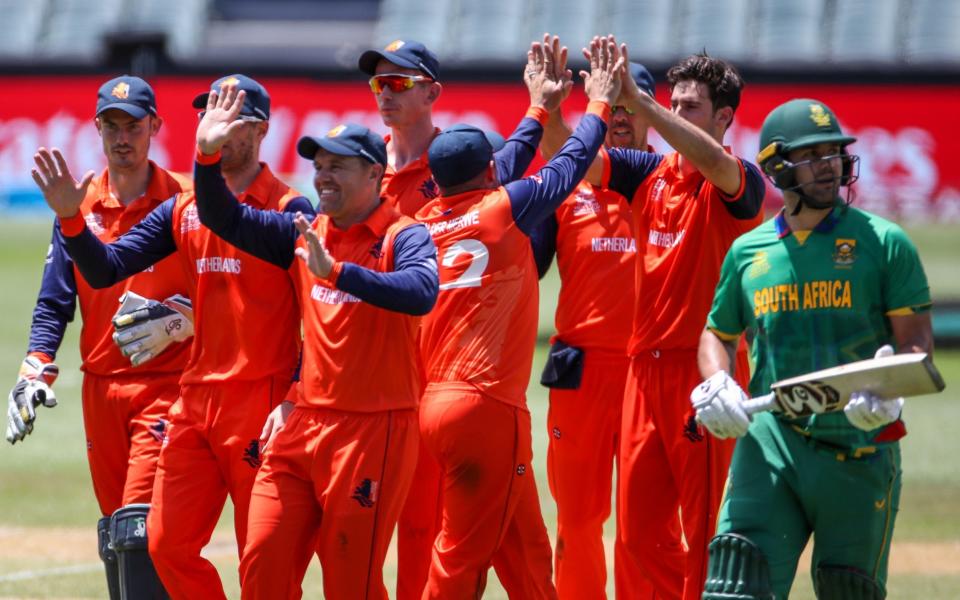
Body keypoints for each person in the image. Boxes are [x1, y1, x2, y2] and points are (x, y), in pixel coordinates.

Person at [35, 74, 313, 600]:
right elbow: (106, 268)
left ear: (260, 131)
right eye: (208, 117)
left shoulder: (289, 210)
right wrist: (72, 218)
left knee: (265, 563)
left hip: (262, 398)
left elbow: (318, 315)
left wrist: (297, 394)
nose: (214, 129)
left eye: (227, 119)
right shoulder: (183, 210)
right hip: (196, 401)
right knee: (161, 545)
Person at [190, 81, 440, 598]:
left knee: (351, 584)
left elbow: (420, 292)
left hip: (374, 430)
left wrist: (339, 273)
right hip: (301, 424)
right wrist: (207, 153)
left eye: (338, 166)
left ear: (375, 173)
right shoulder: (302, 231)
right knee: (262, 568)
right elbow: (222, 215)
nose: (323, 176)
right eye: (319, 165)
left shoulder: (403, 234)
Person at [540, 41, 766, 599]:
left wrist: (641, 104)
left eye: (692, 106)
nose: (679, 113)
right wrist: (547, 107)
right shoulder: (650, 173)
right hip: (644, 373)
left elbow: (714, 162)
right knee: (639, 537)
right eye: (677, 103)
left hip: (704, 375)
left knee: (706, 530)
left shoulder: (739, 179)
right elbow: (577, 162)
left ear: (723, 117)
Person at [693, 98, 933, 600]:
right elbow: (718, 332)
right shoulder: (749, 252)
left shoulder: (885, 243)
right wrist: (717, 380)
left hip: (861, 447)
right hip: (772, 442)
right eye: (813, 154)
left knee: (848, 590)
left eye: (835, 153)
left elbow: (916, 347)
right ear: (778, 167)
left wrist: (891, 393)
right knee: (735, 584)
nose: (830, 165)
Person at [413, 35, 622, 599]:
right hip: (486, 408)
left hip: (433, 403)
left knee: (524, 544)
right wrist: (598, 101)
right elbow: (573, 161)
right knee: (459, 560)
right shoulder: (500, 210)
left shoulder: (416, 224)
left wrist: (538, 107)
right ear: (488, 176)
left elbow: (508, 159)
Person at [359, 37, 558, 599]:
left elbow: (517, 181)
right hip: (393, 382)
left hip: (450, 380)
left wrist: (540, 106)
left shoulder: (461, 162)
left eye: (398, 83)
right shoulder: (361, 167)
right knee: (406, 533)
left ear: (431, 92)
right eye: (378, 83)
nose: (385, 94)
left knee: (460, 536)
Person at [16, 75, 191, 599]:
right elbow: (55, 298)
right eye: (111, 126)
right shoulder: (78, 202)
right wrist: (35, 362)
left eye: (133, 125)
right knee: (116, 533)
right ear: (96, 128)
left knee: (141, 530)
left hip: (168, 387)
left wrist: (185, 319)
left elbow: (229, 288)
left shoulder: (184, 198)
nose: (122, 137)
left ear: (155, 126)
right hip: (102, 390)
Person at [530, 54, 668, 598]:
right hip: (581, 373)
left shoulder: (668, 181)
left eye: (629, 103)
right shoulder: (562, 188)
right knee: (579, 522)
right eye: (606, 104)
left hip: (650, 374)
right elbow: (529, 262)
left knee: (649, 524)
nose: (618, 115)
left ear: (652, 114)